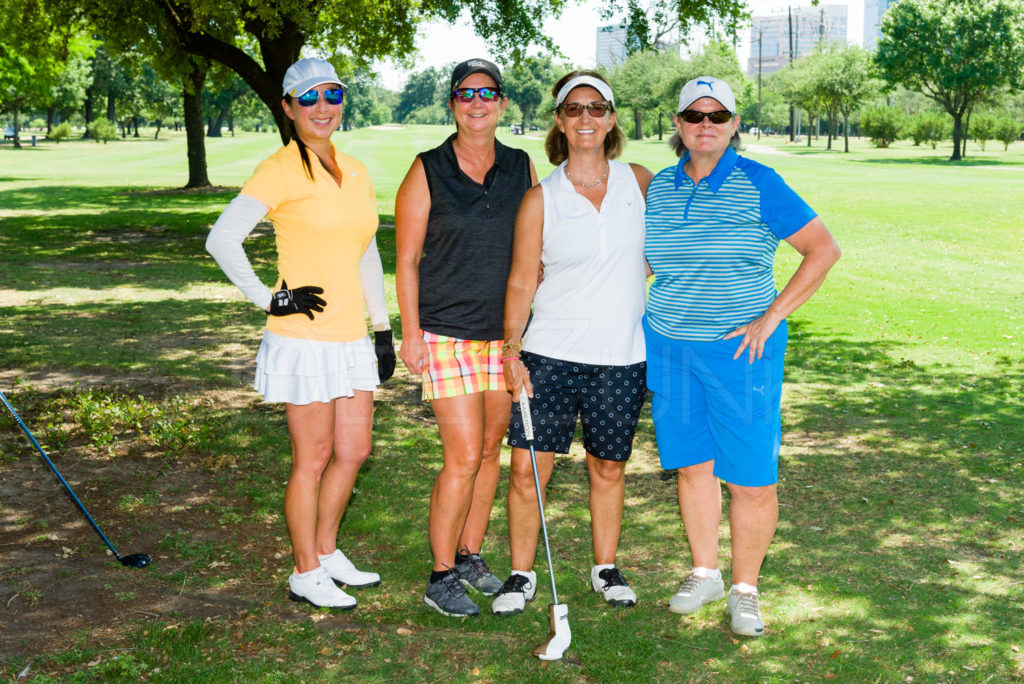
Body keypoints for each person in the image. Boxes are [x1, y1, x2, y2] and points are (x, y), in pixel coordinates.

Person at [644, 76, 840, 636]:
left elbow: (822, 250)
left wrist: (772, 315)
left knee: (752, 478)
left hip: (740, 351)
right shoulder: (660, 186)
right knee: (692, 467)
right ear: (678, 125)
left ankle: (745, 588)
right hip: (672, 345)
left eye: (717, 115)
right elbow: (653, 262)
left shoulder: (760, 182)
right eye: (694, 115)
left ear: (733, 125)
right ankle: (704, 571)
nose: (705, 124)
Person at [205, 57, 396, 609]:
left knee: (354, 449)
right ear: (288, 108)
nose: (321, 107)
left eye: (331, 95)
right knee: (311, 459)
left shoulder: (355, 169)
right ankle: (303, 570)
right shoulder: (280, 168)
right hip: (304, 338)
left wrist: (382, 328)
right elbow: (222, 239)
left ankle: (328, 550)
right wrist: (270, 297)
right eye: (307, 98)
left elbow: (366, 249)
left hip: (351, 337)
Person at [495, 71, 652, 616]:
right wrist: (511, 352)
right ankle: (519, 574)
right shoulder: (541, 198)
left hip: (623, 356)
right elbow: (520, 281)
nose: (585, 118)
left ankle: (605, 567)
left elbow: (664, 253)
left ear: (611, 119)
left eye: (597, 108)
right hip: (550, 354)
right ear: (559, 122)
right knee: (527, 469)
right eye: (573, 109)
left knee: (608, 467)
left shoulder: (640, 181)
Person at [395, 58, 537, 617]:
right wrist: (410, 335)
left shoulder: (521, 166)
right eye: (465, 94)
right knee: (460, 457)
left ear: (502, 103)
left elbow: (532, 252)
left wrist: (520, 335)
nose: (477, 103)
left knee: (487, 452)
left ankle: (469, 552)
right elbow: (406, 261)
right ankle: (440, 575)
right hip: (446, 333)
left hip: (503, 336)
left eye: (488, 93)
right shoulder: (426, 169)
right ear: (452, 104)